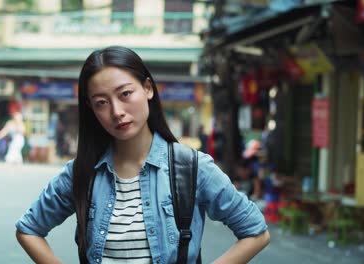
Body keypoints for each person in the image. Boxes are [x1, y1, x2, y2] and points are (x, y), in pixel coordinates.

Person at [15, 46, 270, 264]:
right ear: (91, 109)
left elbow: (256, 233)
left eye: (125, 94)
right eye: (101, 102)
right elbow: (28, 229)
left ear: (148, 88)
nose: (117, 111)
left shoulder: (191, 167)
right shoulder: (82, 173)